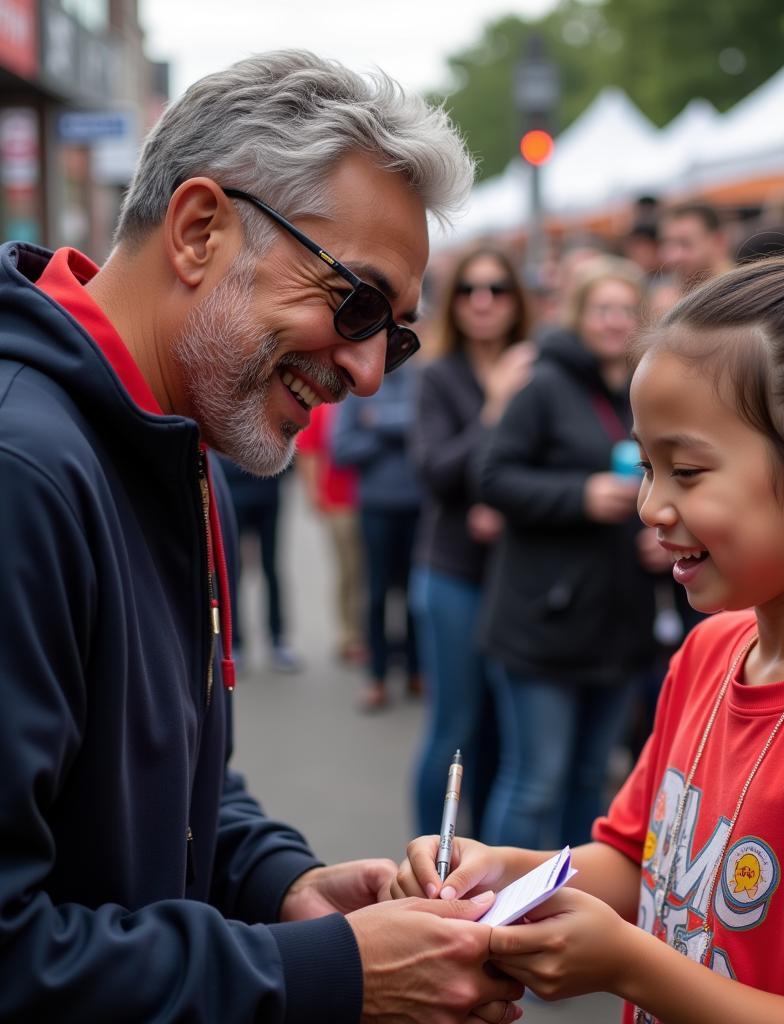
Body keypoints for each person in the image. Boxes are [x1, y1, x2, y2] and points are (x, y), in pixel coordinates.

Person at [0, 50, 524, 1024]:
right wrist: (330, 972)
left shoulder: (157, 435)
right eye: (357, 303)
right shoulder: (26, 470)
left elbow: (164, 771)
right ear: (200, 230)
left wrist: (279, 883)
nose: (371, 372)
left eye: (396, 335)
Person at [395, 258, 784, 1023]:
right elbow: (637, 858)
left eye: (687, 470)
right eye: (647, 465)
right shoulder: (711, 652)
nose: (652, 505)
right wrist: (504, 873)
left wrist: (630, 964)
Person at [476, 256, 663, 851]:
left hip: (619, 618)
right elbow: (492, 478)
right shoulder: (545, 386)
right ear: (579, 315)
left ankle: (568, 909)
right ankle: (495, 916)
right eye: (602, 309)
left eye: (625, 311)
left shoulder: (648, 390)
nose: (613, 323)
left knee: (589, 781)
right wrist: (579, 495)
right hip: (542, 620)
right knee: (537, 782)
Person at [409, 247, 535, 837]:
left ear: (516, 300)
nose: (482, 302)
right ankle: (430, 850)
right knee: (455, 726)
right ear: (453, 303)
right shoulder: (439, 376)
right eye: (468, 291)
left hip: (522, 576)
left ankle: (487, 859)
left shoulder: (536, 368)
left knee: (510, 732)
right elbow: (434, 471)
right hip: (454, 573)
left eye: (496, 289)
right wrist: (494, 407)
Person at [333, 359, 423, 710]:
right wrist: (399, 431)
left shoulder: (422, 379)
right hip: (376, 508)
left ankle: (417, 671)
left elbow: (425, 430)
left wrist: (379, 423)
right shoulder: (361, 386)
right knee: (377, 594)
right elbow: (341, 449)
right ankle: (377, 676)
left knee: (416, 594)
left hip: (418, 507)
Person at [295, 403, 368, 665]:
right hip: (338, 500)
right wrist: (313, 493)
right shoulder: (324, 408)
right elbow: (309, 451)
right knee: (349, 569)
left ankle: (366, 631)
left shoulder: (369, 402)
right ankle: (349, 634)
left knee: (369, 571)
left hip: (371, 499)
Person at [220, 455, 303, 672]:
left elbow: (288, 453)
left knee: (272, 568)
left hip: (267, 496)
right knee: (232, 572)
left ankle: (278, 640)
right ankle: (234, 643)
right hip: (233, 497)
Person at [658, 201, 732, 295]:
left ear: (719, 241)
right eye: (667, 243)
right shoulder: (665, 297)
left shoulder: (741, 296)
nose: (673, 256)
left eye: (685, 243)